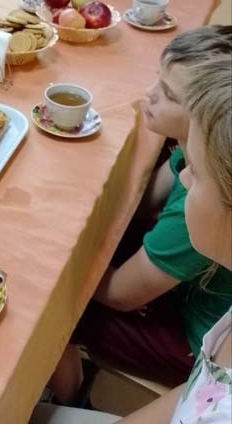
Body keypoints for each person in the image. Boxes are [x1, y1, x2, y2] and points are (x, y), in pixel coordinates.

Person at [32, 54, 232, 423]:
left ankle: (74, 394)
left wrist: (53, 270)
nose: (184, 178)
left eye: (198, 174)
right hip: (194, 362)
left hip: (183, 335)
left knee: (47, 313)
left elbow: (122, 295)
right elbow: (200, 387)